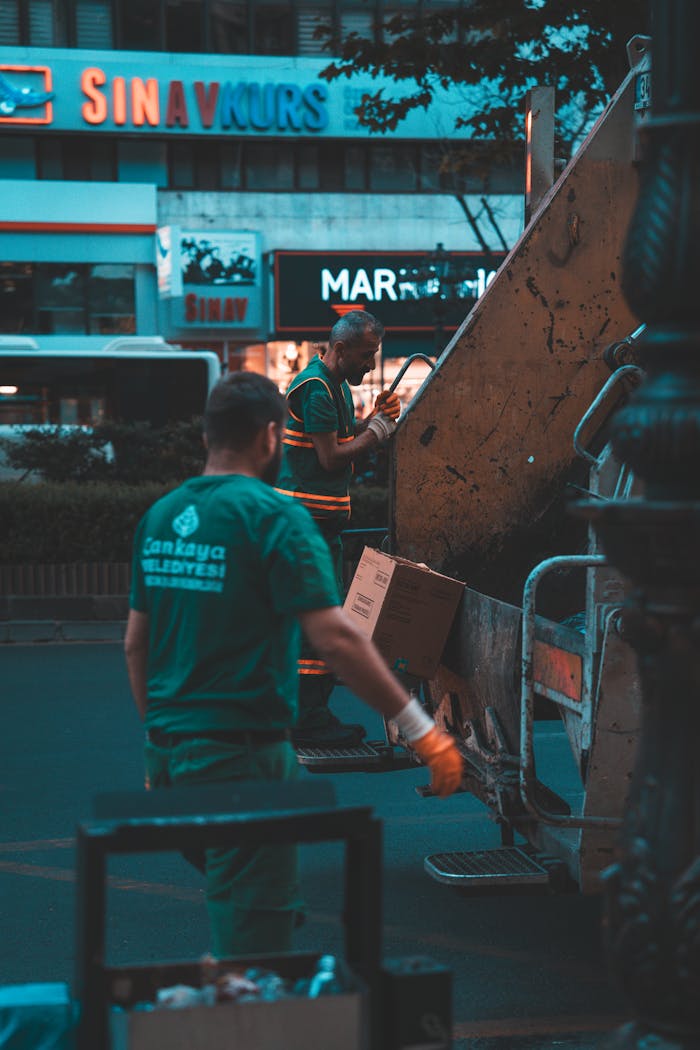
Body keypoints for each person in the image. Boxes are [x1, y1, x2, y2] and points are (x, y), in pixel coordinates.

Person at [124, 371, 462, 959]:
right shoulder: (276, 519)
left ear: (208, 437)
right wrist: (422, 730)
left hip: (170, 760)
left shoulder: (161, 518)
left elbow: (136, 645)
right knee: (253, 943)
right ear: (270, 438)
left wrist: (159, 741)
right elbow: (335, 638)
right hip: (242, 758)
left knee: (244, 898)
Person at [275, 310, 401, 747]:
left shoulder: (334, 387)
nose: (370, 365)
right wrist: (378, 434)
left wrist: (373, 422)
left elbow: (342, 438)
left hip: (315, 527)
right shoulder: (315, 389)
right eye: (367, 356)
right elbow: (331, 458)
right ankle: (307, 720)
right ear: (341, 349)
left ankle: (305, 714)